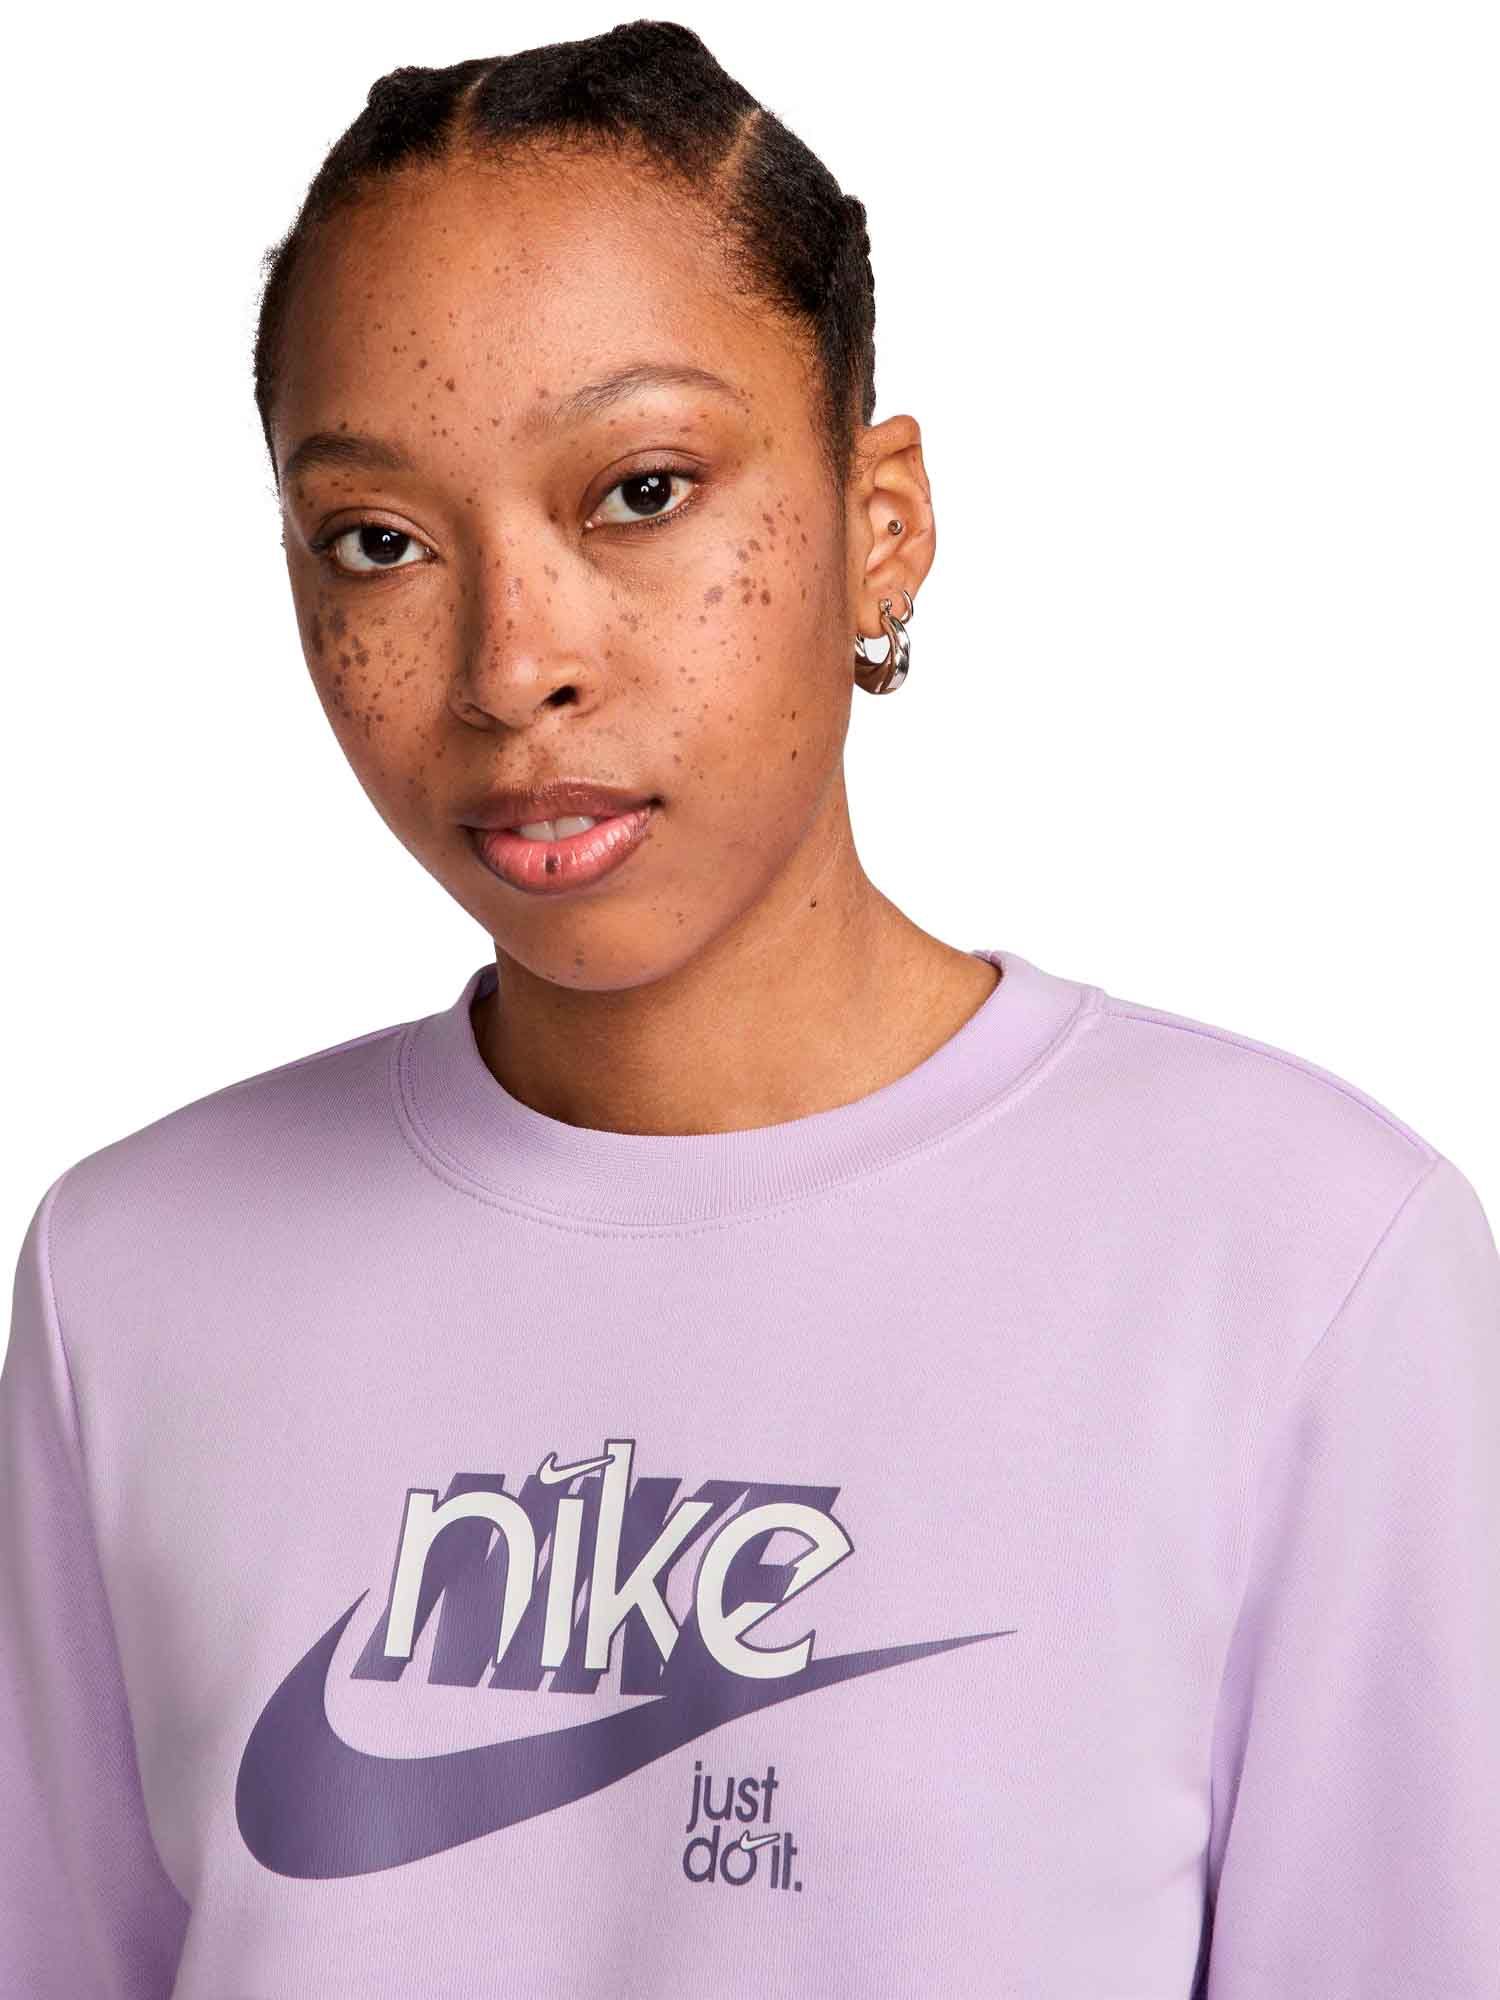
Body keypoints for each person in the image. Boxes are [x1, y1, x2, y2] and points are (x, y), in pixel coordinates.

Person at [2, 20, 1496, 1999]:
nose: (512, 666)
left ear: (882, 521)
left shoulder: (1301, 1263)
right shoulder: (133, 1276)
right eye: (379, 541)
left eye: (639, 491)